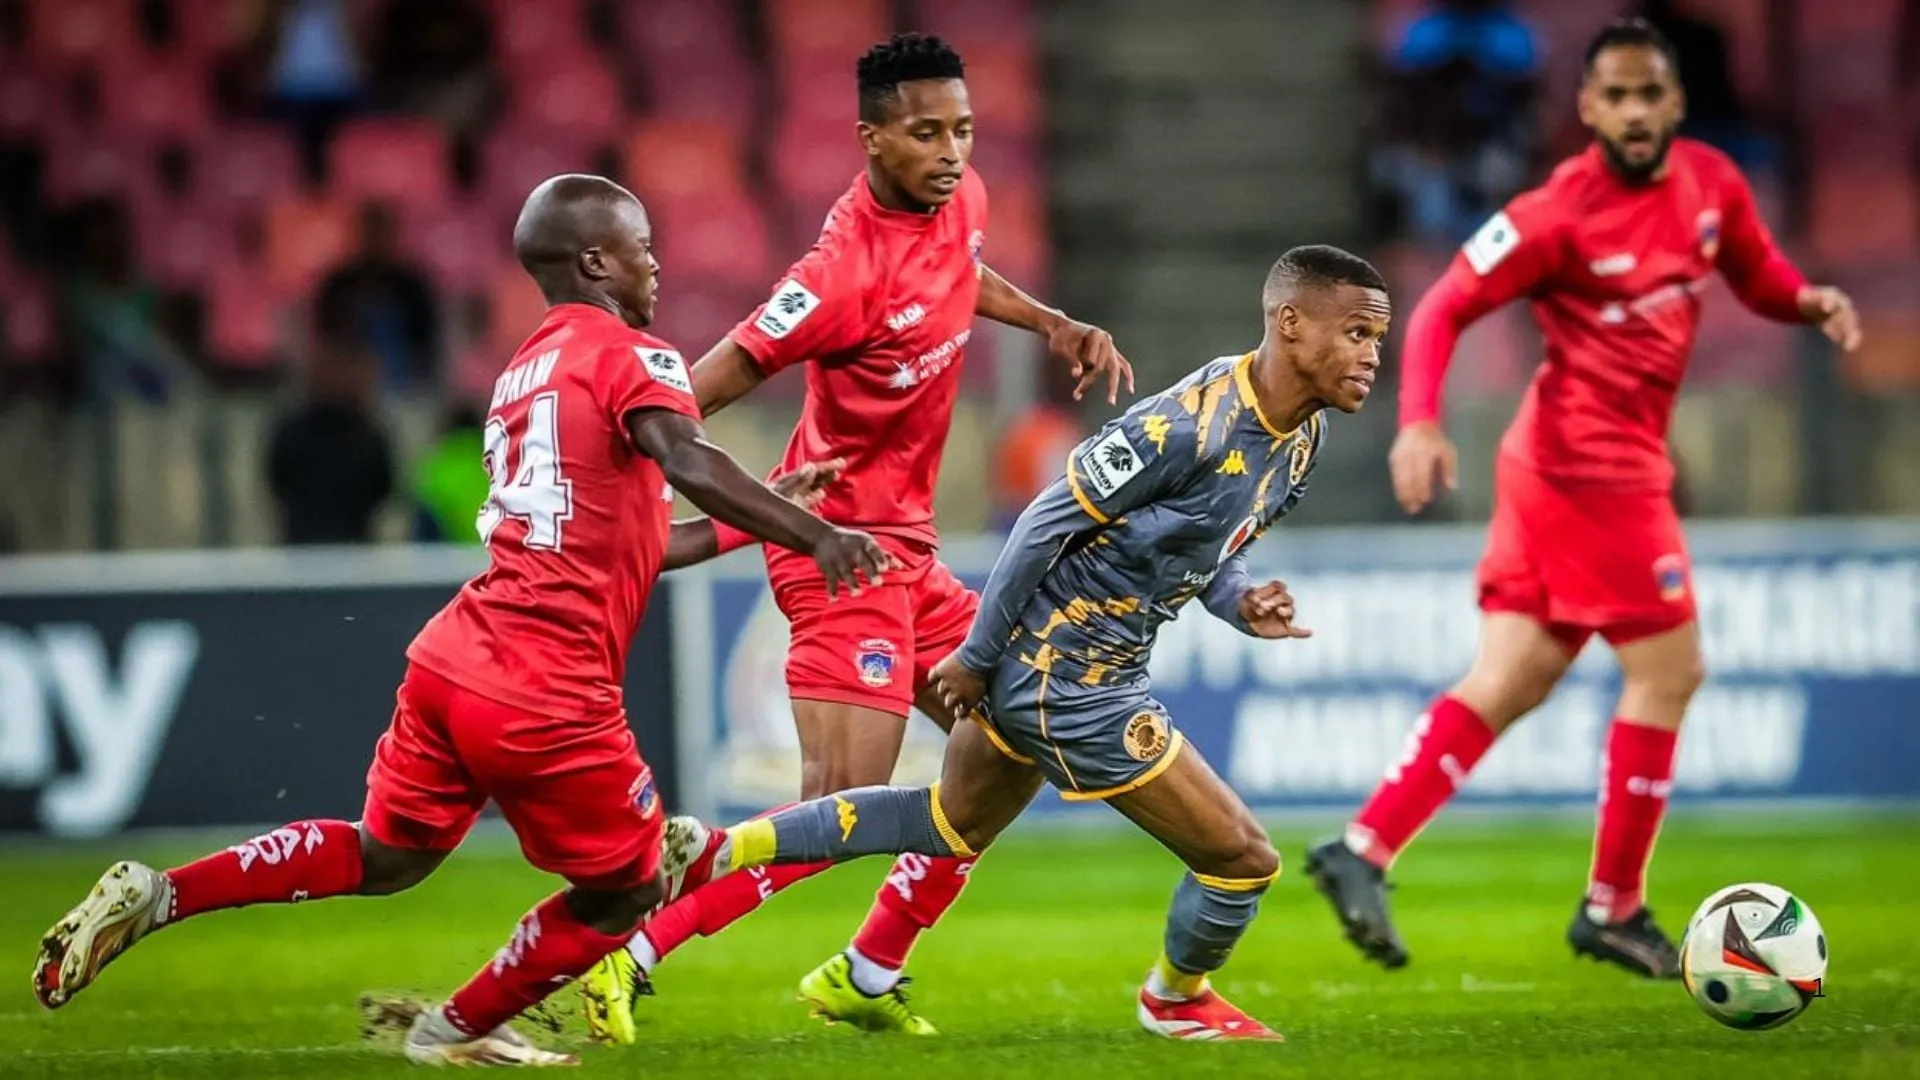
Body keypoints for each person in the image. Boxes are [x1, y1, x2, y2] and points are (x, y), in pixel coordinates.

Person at [30, 174, 890, 1068]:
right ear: (596, 260)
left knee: (386, 855)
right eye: (640, 243)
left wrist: (764, 513)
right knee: (627, 887)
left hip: (456, 658)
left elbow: (630, 542)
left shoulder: (524, 373)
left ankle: (163, 895)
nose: (655, 260)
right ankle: (459, 1029)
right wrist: (812, 533)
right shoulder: (636, 357)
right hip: (547, 684)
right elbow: (688, 456)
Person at [649, 245, 1389, 1041]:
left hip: (1087, 666)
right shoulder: (1186, 423)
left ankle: (737, 859)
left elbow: (1208, 543)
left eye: (1376, 339)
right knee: (1242, 859)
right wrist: (975, 655)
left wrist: (1242, 600)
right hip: (1072, 678)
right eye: (1355, 333)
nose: (1371, 356)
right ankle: (1174, 1001)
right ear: (1289, 323)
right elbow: (1046, 519)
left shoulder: (1299, 438)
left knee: (943, 826)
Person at [578, 33, 1132, 1039]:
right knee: (841, 806)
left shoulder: (960, 201)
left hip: (908, 552)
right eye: (927, 134)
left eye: (962, 129)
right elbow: (704, 383)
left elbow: (960, 274)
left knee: (1011, 744)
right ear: (870, 139)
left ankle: (867, 973)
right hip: (836, 547)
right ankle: (630, 945)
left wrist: (1050, 321)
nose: (954, 152)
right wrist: (625, 464)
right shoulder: (835, 275)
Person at [1305, 19, 1861, 979]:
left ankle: (1361, 850)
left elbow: (1753, 271)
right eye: (1619, 96)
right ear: (1588, 107)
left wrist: (1803, 299)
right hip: (1583, 471)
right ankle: (1614, 905)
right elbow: (1442, 305)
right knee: (1670, 671)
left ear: (1676, 103)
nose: (1637, 112)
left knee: (1514, 676)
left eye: (1653, 94)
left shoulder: (1712, 186)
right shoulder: (1554, 214)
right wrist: (1421, 422)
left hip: (1592, 468)